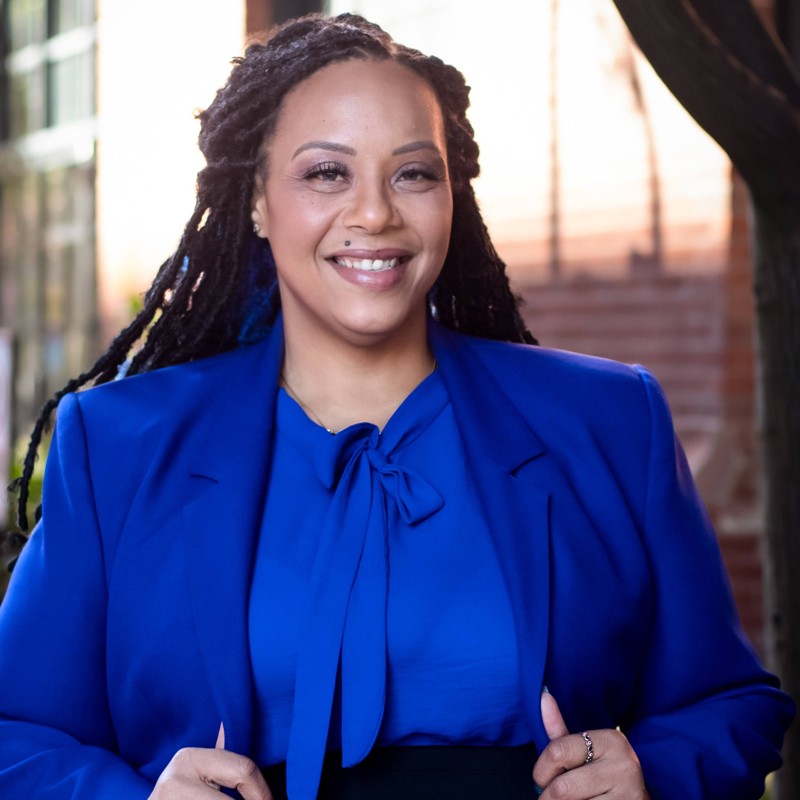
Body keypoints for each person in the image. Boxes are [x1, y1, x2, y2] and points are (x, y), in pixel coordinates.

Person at [0, 12, 793, 800]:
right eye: (325, 173)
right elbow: (16, 735)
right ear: (255, 201)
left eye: (413, 173)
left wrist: (652, 771)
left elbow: (730, 705)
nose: (374, 214)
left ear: (453, 195)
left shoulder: (612, 421)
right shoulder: (117, 446)